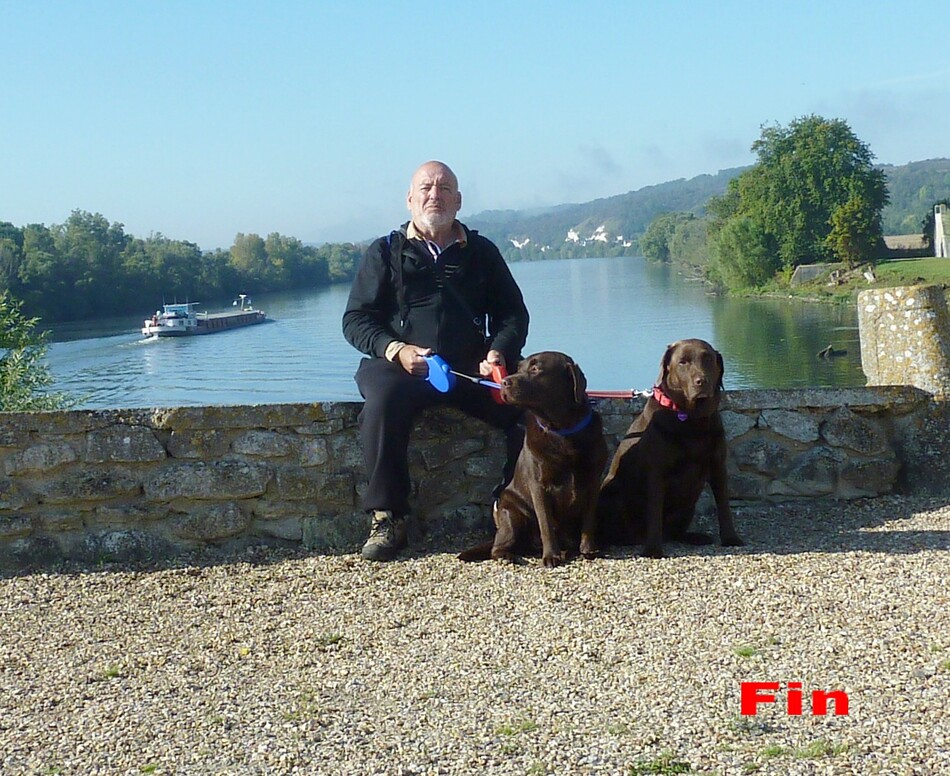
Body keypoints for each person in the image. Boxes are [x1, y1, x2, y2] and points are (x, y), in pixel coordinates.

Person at [342, 160, 529, 561]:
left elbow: (513, 315)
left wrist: (499, 352)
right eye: (426, 187)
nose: (435, 195)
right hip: (398, 366)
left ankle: (510, 505)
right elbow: (356, 320)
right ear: (410, 199)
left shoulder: (481, 252)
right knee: (381, 405)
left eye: (444, 189)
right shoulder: (384, 252)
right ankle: (388, 517)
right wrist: (397, 350)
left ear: (458, 201)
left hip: (469, 367)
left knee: (528, 408)